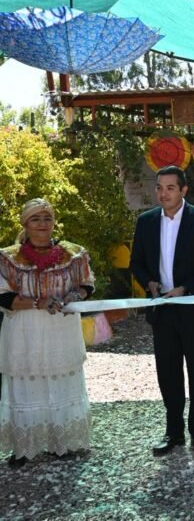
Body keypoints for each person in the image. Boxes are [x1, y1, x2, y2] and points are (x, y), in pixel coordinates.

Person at [130, 166, 194, 456]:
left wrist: (185, 288)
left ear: (183, 190)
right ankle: (173, 432)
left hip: (193, 308)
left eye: (170, 187)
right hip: (162, 310)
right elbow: (137, 263)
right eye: (159, 187)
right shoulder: (145, 222)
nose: (163, 193)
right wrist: (150, 283)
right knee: (167, 373)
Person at [0, 198, 94, 467]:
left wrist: (74, 296)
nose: (42, 224)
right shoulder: (7, 258)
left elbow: (87, 284)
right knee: (26, 383)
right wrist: (37, 303)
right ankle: (23, 446)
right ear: (25, 224)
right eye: (36, 219)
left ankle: (60, 443)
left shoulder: (74, 254)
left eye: (47, 218)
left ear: (54, 222)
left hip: (60, 329)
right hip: (24, 330)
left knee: (59, 380)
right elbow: (4, 297)